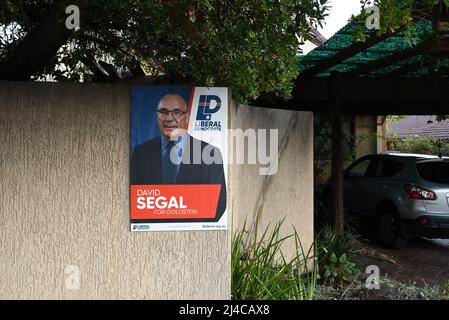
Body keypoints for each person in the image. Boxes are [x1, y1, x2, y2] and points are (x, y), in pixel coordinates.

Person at [131, 93, 227, 221]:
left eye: (176, 112)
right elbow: (133, 198)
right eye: (163, 112)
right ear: (157, 117)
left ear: (186, 118)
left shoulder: (210, 153)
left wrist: (184, 230)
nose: (169, 118)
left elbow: (218, 204)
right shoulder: (141, 152)